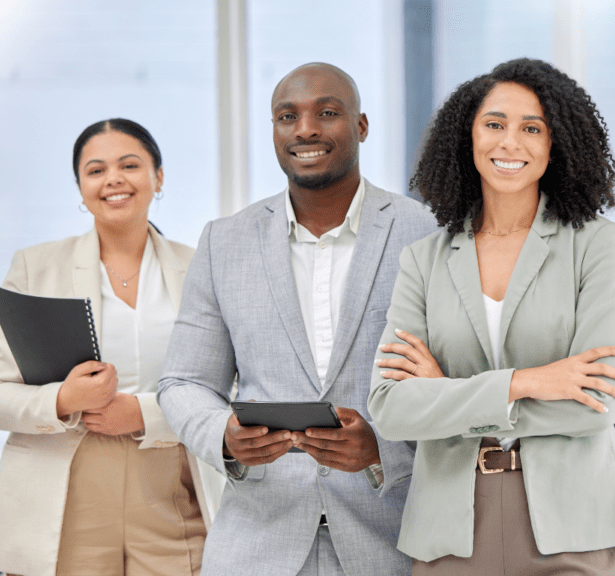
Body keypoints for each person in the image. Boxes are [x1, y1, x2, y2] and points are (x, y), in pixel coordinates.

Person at [366, 58, 615, 576]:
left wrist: (448, 395)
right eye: (494, 124)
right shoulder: (423, 261)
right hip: (450, 528)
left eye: (532, 128)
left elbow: (597, 406)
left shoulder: (597, 245)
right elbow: (390, 408)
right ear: (467, 136)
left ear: (556, 143)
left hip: (574, 524)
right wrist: (529, 382)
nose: (510, 143)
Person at [157, 62, 437, 576]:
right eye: (287, 116)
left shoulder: (426, 234)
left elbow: (460, 383)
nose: (305, 128)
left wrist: (383, 450)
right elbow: (183, 381)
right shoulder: (225, 241)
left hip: (394, 544)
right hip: (258, 546)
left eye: (326, 113)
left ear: (361, 126)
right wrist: (224, 434)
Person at [0, 118, 222, 575]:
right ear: (80, 189)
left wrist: (143, 413)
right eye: (95, 170)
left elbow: (230, 386)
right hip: (64, 497)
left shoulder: (202, 269)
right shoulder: (36, 267)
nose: (113, 179)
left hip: (172, 494)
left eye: (129, 164)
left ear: (158, 177)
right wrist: (62, 400)